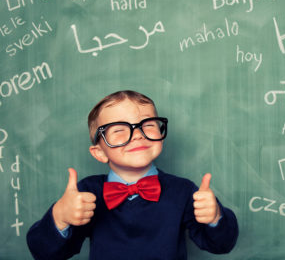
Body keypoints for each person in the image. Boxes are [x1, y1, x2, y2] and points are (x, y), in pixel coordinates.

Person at [26, 90, 238, 260]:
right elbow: (45, 254)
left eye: (147, 125)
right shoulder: (86, 193)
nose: (137, 134)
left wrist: (216, 217)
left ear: (161, 137)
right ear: (99, 152)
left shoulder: (183, 191)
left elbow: (221, 245)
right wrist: (59, 217)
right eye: (118, 129)